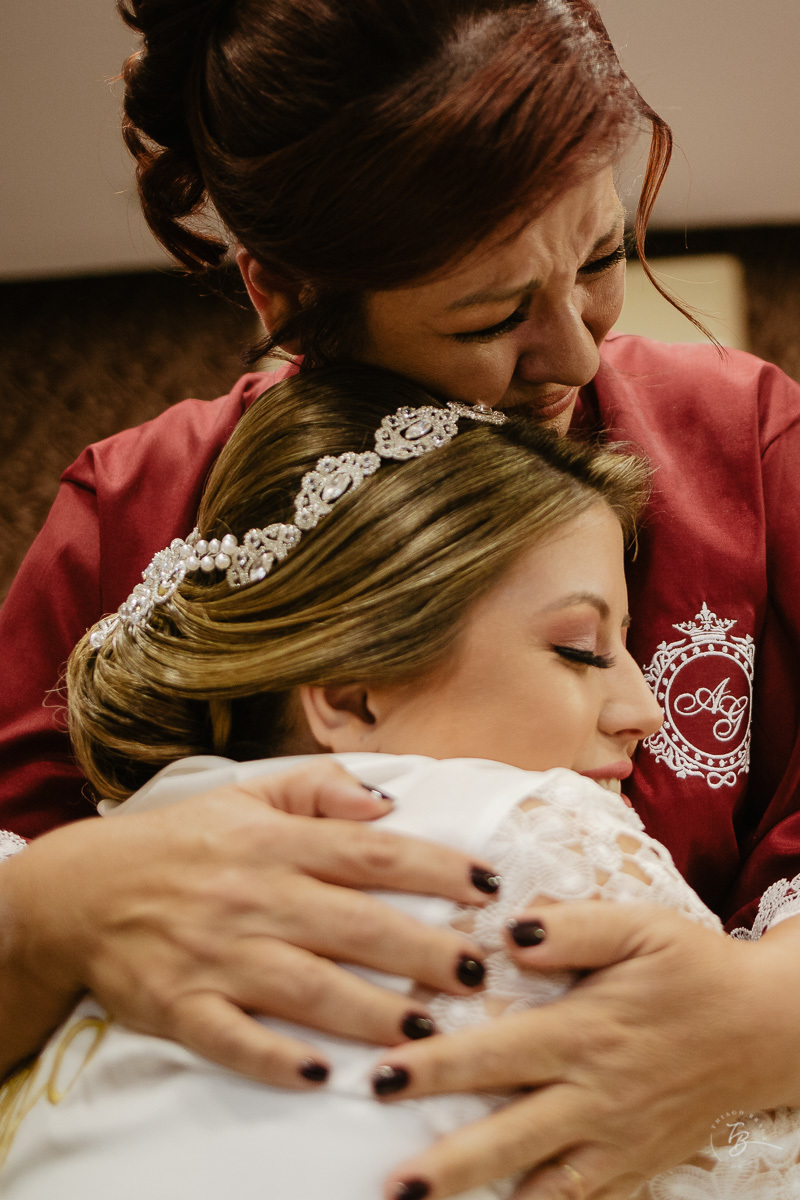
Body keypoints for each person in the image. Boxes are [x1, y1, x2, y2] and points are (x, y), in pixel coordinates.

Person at [2, 1, 800, 1196]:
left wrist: (759, 1018)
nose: (577, 353)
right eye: (490, 315)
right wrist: (42, 917)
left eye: (597, 261)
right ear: (280, 293)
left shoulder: (748, 446)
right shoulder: (133, 512)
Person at [6, 365, 790, 1200]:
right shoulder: (542, 834)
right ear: (350, 697)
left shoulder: (141, 832)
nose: (645, 711)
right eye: (580, 650)